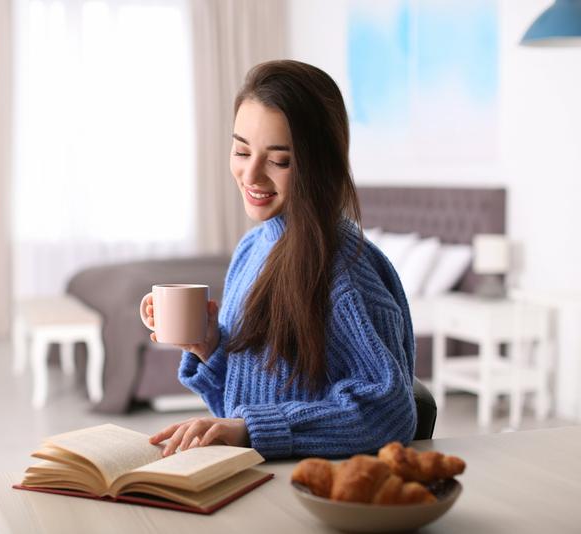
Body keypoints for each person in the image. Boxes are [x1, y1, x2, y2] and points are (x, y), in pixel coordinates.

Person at [144, 60, 416, 459]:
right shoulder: (251, 250)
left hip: (311, 498)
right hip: (260, 482)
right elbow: (243, 407)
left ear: (319, 163)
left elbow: (389, 414)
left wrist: (251, 429)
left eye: (279, 160)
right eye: (241, 150)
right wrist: (209, 346)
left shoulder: (346, 276)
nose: (250, 174)